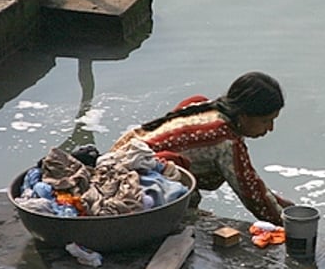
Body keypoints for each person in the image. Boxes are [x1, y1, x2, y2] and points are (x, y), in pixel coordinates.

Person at [110, 72, 295, 224]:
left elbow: (250, 181)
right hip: (126, 180)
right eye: (265, 121)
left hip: (119, 156)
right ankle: (183, 215)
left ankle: (189, 211)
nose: (270, 128)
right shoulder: (225, 140)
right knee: (179, 180)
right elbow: (252, 195)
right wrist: (288, 223)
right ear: (245, 115)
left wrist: (276, 201)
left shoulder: (206, 107)